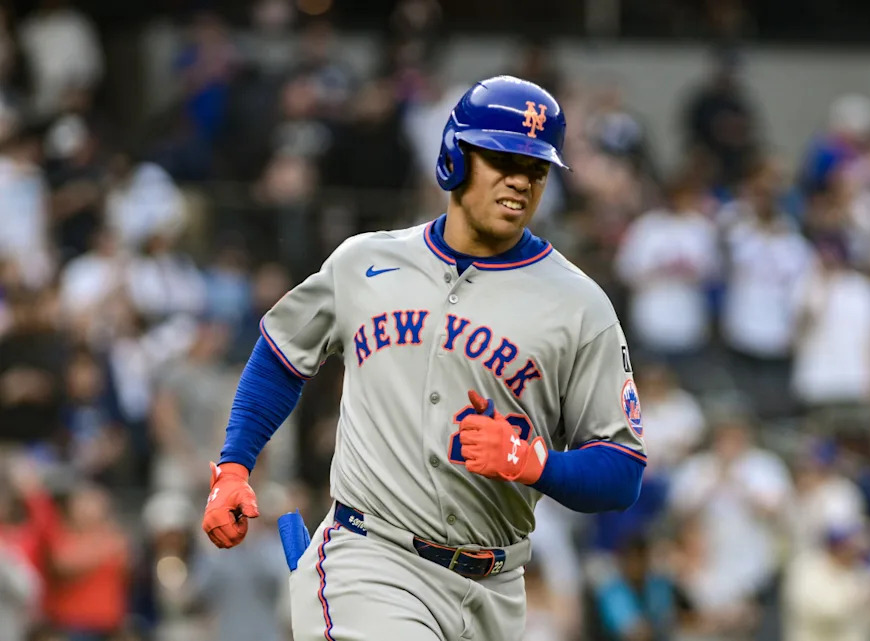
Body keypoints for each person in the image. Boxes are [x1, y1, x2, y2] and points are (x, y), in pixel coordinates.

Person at [200, 75, 648, 641]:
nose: (520, 181)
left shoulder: (580, 305)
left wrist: (537, 464)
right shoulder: (364, 262)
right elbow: (282, 355)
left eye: (534, 168)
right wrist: (235, 465)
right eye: (502, 160)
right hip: (370, 558)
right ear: (454, 158)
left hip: (495, 590)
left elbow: (623, 471)